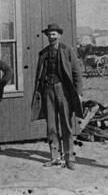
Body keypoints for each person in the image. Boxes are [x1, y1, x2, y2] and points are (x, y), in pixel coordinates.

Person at [31, 24, 83, 170]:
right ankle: (55, 157)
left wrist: (78, 93)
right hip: (48, 91)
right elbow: (39, 76)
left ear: (59, 35)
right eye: (49, 35)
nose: (51, 37)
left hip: (63, 90)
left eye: (54, 34)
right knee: (51, 126)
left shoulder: (67, 51)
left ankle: (69, 158)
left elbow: (76, 72)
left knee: (66, 124)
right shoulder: (43, 53)